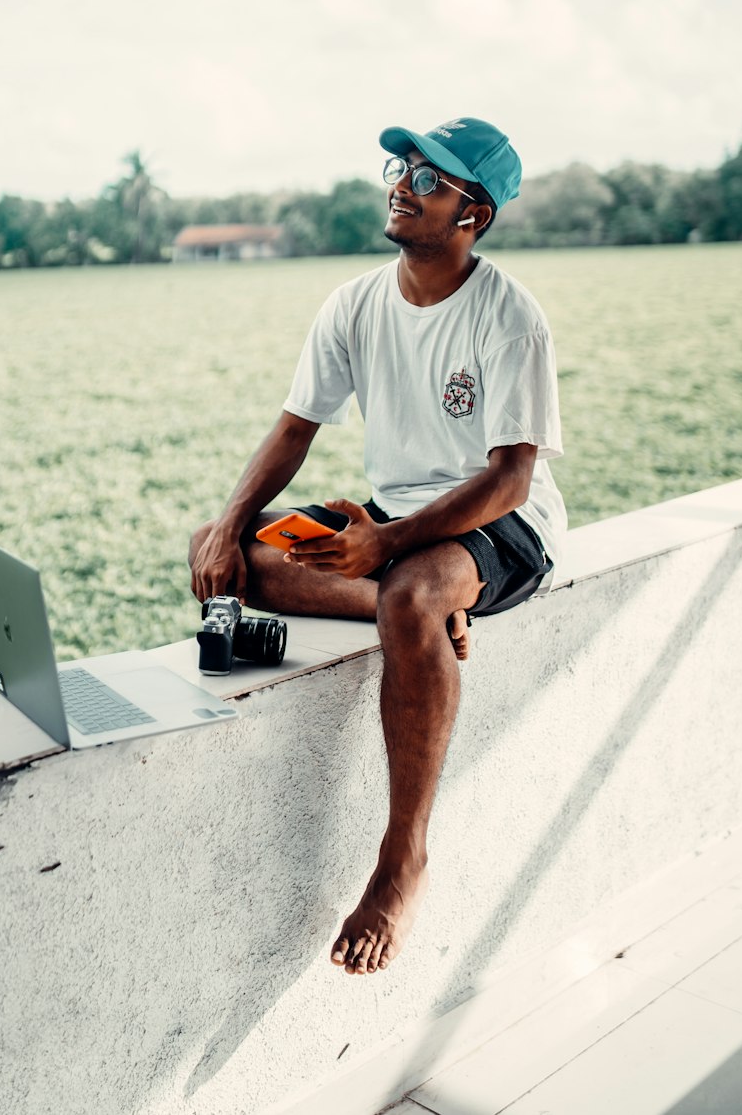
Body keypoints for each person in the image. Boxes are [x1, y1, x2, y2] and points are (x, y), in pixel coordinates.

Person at [188, 118, 565, 977]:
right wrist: (225, 522)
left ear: (476, 215)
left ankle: (403, 859)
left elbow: (510, 479)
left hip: (503, 525)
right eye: (402, 167)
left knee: (412, 591)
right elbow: (294, 431)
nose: (402, 184)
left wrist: (388, 545)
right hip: (392, 520)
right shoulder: (354, 302)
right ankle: (427, 618)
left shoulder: (509, 319)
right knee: (223, 558)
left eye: (430, 180)